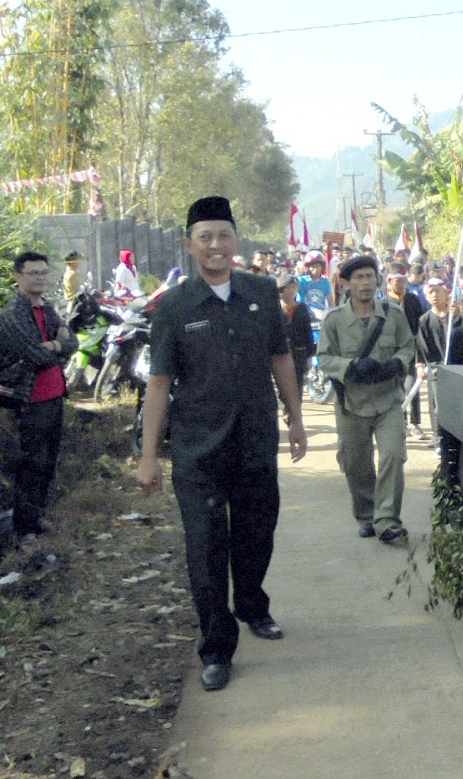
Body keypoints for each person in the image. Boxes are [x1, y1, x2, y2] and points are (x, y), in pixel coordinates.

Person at [137, 196, 307, 693]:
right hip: (197, 449)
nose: (216, 246)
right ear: (190, 245)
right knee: (205, 549)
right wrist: (150, 456)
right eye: (205, 237)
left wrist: (295, 419)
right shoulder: (172, 307)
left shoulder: (260, 293)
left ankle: (253, 605)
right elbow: (159, 384)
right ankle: (216, 647)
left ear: (237, 242)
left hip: (255, 441)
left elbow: (281, 360)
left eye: (224, 236)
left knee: (257, 534)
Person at [318, 255, 416, 544]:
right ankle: (366, 513)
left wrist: (395, 364)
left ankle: (387, 521)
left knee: (394, 455)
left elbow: (408, 346)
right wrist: (349, 368)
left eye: (369, 277)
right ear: (347, 284)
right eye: (358, 277)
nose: (365, 283)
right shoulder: (334, 320)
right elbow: (323, 358)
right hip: (352, 404)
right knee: (355, 463)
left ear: (377, 280)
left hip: (388, 401)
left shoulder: (393, 313)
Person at [0, 252, 78, 545]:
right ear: (18, 276)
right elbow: (36, 355)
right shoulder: (13, 314)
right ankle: (24, 529)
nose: (40, 278)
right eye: (33, 273)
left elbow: (73, 342)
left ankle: (35, 519)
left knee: (48, 462)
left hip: (54, 395)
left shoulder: (48, 308)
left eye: (44, 272)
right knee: (32, 464)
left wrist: (55, 343)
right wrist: (57, 346)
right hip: (29, 399)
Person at [384, 268, 426, 439]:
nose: (400, 284)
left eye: (403, 281)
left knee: (412, 386)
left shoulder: (413, 300)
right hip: (392, 351)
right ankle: (400, 421)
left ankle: (415, 423)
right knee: (396, 387)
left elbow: (421, 325)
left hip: (412, 349)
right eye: (397, 281)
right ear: (389, 281)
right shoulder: (384, 303)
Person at [415, 278, 451, 438]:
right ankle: (439, 439)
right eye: (431, 292)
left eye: (438, 290)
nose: (435, 295)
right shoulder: (425, 320)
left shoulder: (455, 318)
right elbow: (422, 346)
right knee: (438, 405)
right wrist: (421, 366)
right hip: (436, 368)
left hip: (456, 366)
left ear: (446, 293)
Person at [278, 273, 314, 424]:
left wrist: (310, 355)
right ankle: (287, 408)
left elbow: (308, 332)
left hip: (298, 353)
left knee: (297, 385)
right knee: (281, 386)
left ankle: (294, 415)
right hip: (279, 355)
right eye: (289, 287)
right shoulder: (274, 309)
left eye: (295, 287)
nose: (293, 290)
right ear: (281, 290)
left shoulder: (302, 309)